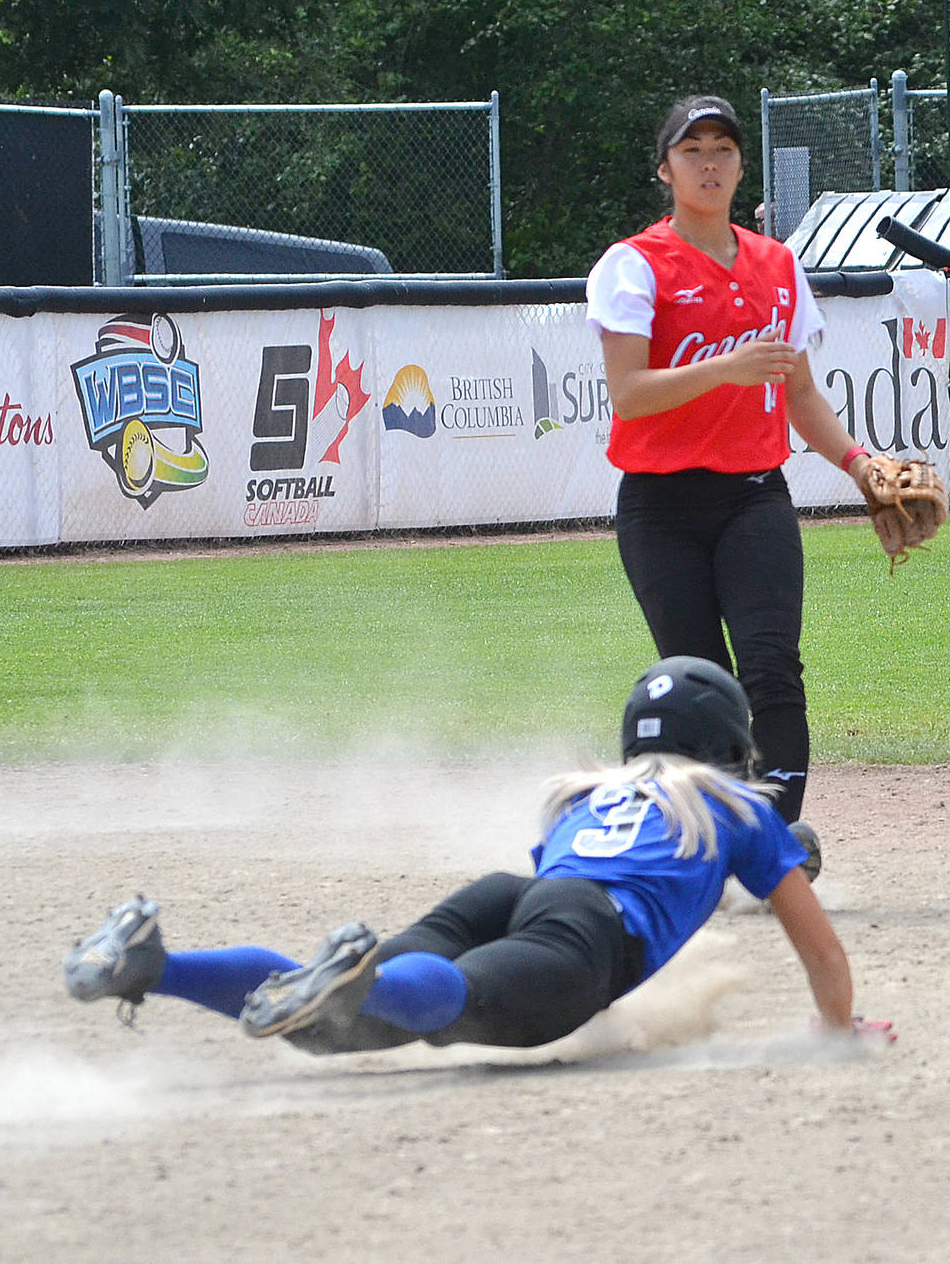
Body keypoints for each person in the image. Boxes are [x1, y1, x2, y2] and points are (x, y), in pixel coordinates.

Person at [62, 657, 894, 1052]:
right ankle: (365, 976)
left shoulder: (585, 791)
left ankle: (151, 965)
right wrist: (837, 1026)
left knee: (329, 1027)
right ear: (726, 742)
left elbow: (571, 888)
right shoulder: (736, 807)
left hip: (517, 894)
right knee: (432, 999)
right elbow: (819, 947)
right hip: (584, 928)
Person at [585, 94, 880, 879]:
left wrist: (860, 464)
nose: (709, 163)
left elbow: (802, 394)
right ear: (665, 169)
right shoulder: (634, 264)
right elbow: (630, 392)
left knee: (772, 664)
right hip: (661, 506)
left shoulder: (777, 265)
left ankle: (772, 838)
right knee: (696, 680)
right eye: (692, 151)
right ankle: (707, 833)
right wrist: (728, 367)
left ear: (741, 165)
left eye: (722, 149)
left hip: (754, 493)